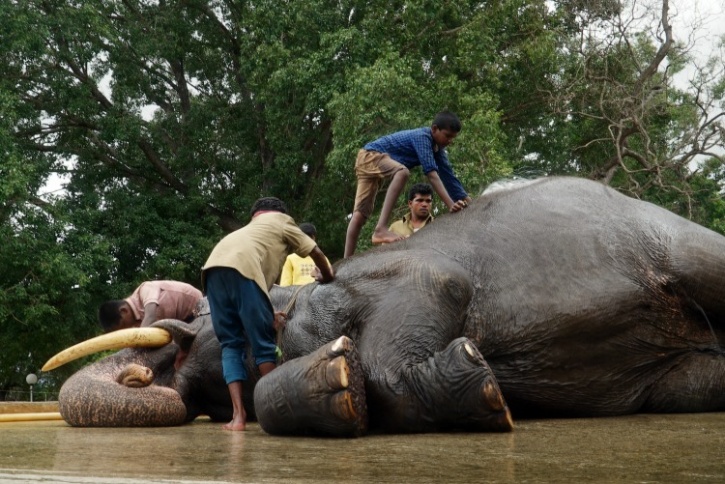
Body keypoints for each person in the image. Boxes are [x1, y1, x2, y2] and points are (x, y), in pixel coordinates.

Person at [201, 197, 334, 431]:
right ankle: (277, 411)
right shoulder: (282, 220)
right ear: (279, 213)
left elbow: (252, 283)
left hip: (212, 271)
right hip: (244, 272)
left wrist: (268, 312)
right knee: (263, 345)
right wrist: (327, 275)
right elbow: (315, 251)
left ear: (255, 215)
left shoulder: (247, 232)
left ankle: (238, 418)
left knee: (230, 345)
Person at [344, 110, 473, 258]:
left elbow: (449, 177)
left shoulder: (438, 150)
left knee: (360, 215)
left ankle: (346, 261)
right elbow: (431, 174)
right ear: (434, 129)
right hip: (371, 155)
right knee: (402, 172)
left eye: (453, 138)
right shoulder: (423, 137)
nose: (449, 141)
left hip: (368, 160)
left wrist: (470, 203)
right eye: (447, 136)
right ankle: (380, 229)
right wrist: (451, 205)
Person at [98, 280, 203, 333]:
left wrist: (138, 342)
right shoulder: (138, 325)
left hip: (200, 310)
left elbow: (150, 315)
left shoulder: (144, 290)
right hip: (181, 325)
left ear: (124, 311)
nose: (126, 330)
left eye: (124, 326)